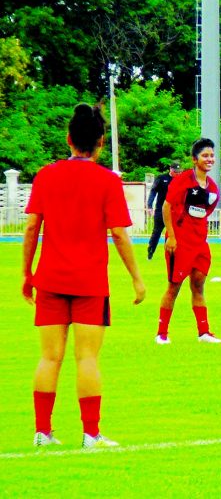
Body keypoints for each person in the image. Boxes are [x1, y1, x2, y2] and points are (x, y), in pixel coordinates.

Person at [22, 103, 145, 448]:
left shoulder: (46, 176)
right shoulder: (107, 180)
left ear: (68, 139)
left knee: (49, 357)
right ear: (101, 142)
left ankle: (42, 432)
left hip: (49, 280)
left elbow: (32, 226)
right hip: (90, 283)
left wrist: (26, 272)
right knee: (87, 358)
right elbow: (119, 233)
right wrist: (136, 277)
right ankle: (91, 434)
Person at [155, 138, 221, 345]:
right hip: (180, 241)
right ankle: (162, 333)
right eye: (205, 155)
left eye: (212, 155)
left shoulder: (212, 187)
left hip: (200, 243)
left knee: (199, 286)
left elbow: (204, 213)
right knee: (174, 286)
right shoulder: (183, 180)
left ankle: (204, 332)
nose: (209, 159)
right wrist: (172, 236)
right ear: (195, 159)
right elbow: (167, 207)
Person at [147, 161, 181, 259]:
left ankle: (175, 253)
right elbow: (153, 191)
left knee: (176, 232)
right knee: (157, 231)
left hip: (175, 211)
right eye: (175, 172)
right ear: (170, 169)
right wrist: (149, 206)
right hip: (161, 210)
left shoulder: (181, 180)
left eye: (179, 172)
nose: (177, 174)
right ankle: (151, 250)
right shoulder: (161, 178)